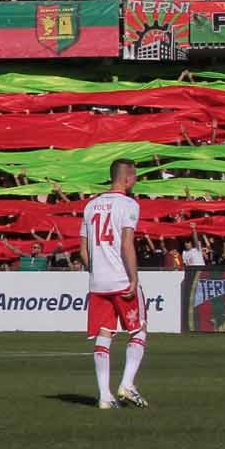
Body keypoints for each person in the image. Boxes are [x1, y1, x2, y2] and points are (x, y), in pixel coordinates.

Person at [78, 158, 149, 410]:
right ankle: (127, 384)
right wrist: (134, 277)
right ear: (127, 177)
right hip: (120, 279)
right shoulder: (129, 205)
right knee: (138, 329)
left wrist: (96, 271)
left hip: (98, 282)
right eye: (135, 176)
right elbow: (126, 243)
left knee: (104, 333)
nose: (136, 180)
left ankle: (104, 396)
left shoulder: (90, 205)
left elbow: (83, 250)